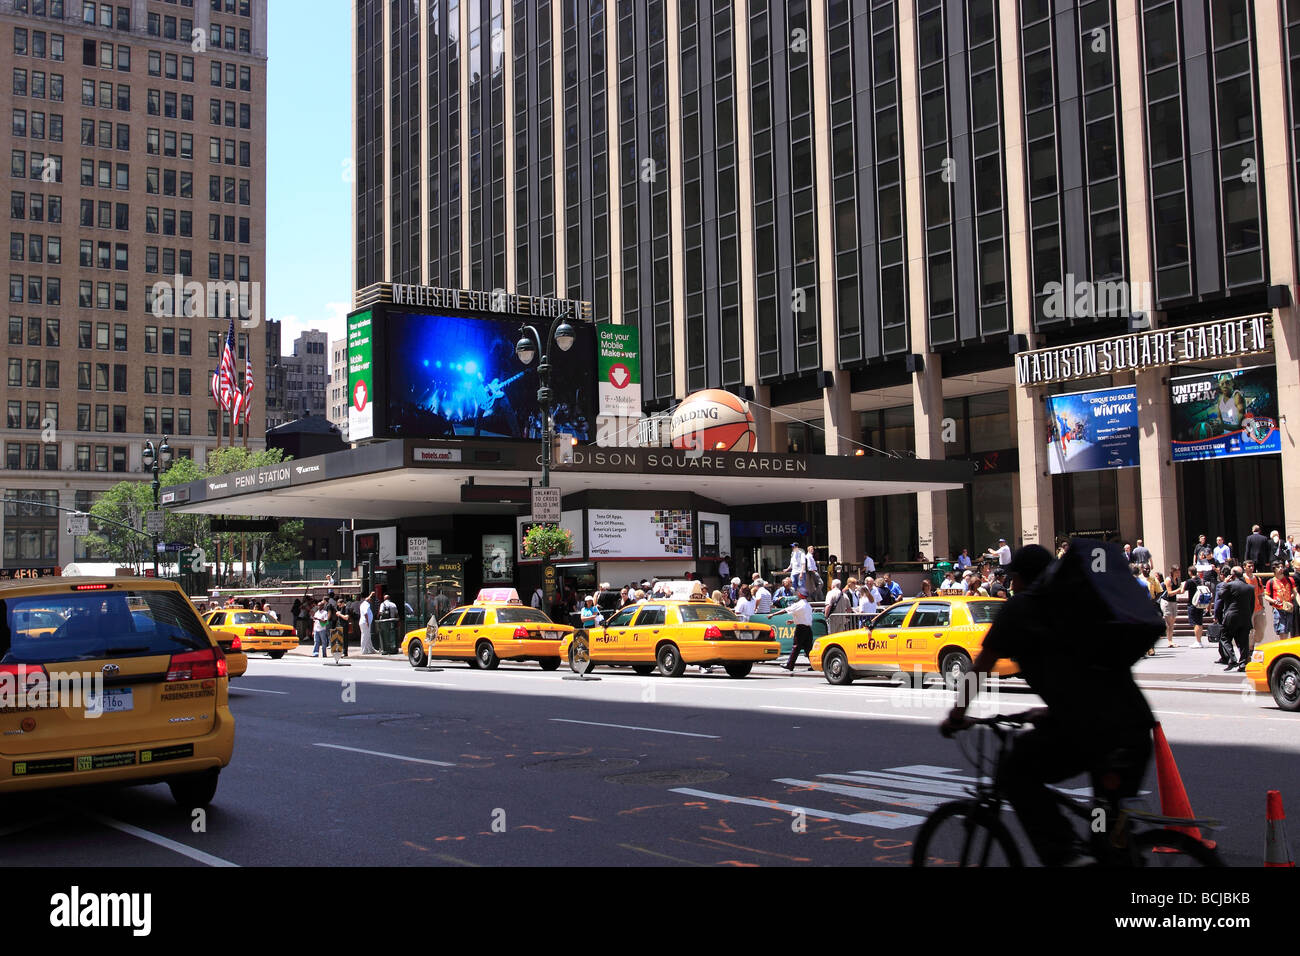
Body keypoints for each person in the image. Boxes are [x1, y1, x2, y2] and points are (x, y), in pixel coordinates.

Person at [941, 542, 1160, 866]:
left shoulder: (1020, 610)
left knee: (1016, 771)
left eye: (1012, 579)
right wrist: (1051, 712)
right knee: (1106, 827)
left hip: (1093, 733)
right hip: (1133, 728)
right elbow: (1084, 675)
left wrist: (956, 715)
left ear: (1018, 580)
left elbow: (980, 669)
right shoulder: (1079, 607)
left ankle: (1064, 854)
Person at [1216, 567, 1255, 671]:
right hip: (1245, 617)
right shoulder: (1250, 588)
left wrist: (1224, 583)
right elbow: (1252, 605)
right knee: (1243, 641)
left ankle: (1232, 659)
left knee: (1224, 638)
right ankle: (1243, 664)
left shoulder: (1229, 585)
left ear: (1232, 575)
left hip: (1231, 616)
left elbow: (1220, 595)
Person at [780, 588, 814, 671]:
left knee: (796, 647)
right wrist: (793, 621)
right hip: (808, 628)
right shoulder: (808, 605)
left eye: (798, 593)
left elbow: (786, 610)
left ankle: (790, 665)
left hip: (801, 628)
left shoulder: (799, 604)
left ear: (800, 595)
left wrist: (773, 614)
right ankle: (814, 665)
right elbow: (805, 617)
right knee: (808, 648)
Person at [1264, 560, 1294, 642]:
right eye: (1278, 567)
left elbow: (1294, 592)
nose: (1281, 569)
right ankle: (1283, 646)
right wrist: (1273, 601)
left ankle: (1284, 645)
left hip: (1288, 608)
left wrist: (1292, 596)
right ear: (1274, 569)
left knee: (1287, 629)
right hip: (1278, 609)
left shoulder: (1289, 580)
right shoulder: (1270, 582)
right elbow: (1266, 596)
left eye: (1282, 567)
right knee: (1281, 629)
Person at [1187, 567, 1214, 648]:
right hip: (1200, 603)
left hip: (1193, 603)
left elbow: (1182, 590)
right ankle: (1199, 641)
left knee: (1196, 623)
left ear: (1190, 572)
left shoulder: (1190, 581)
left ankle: (1198, 641)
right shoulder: (1200, 580)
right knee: (1199, 622)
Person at [1158, 567, 1182, 648]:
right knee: (1168, 623)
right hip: (1166, 602)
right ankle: (1169, 641)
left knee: (1172, 623)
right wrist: (1179, 589)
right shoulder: (1168, 580)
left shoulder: (1177, 580)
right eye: (1177, 571)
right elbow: (1169, 593)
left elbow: (1179, 592)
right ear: (1173, 571)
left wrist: (1183, 588)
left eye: (1179, 571)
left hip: (1174, 602)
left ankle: (1170, 640)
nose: (1178, 573)